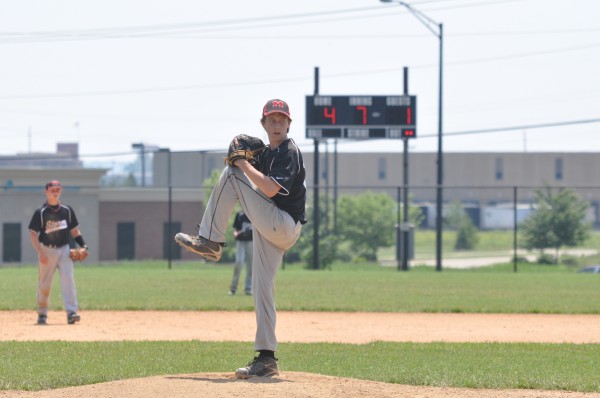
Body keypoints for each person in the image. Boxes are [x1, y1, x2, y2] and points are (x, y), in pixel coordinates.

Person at [175, 99, 306, 379]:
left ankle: (209, 240)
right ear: (264, 124)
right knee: (261, 290)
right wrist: (249, 160)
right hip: (271, 226)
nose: (277, 123)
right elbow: (258, 181)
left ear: (289, 123)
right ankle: (267, 358)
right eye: (272, 118)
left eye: (282, 118)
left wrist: (243, 163)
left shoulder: (288, 150)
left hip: (282, 223)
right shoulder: (267, 154)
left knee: (233, 174)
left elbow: (270, 190)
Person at [28, 180, 88, 325]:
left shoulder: (67, 210)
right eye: (52, 190)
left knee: (69, 280)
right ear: (46, 192)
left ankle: (71, 313)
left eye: (58, 190)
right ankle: (42, 314)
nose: (55, 192)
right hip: (47, 250)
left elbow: (74, 230)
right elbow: (32, 233)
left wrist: (83, 245)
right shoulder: (41, 212)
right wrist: (40, 252)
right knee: (45, 284)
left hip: (64, 250)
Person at [230, 211, 253, 296]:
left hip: (251, 242)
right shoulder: (240, 214)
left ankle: (248, 288)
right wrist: (236, 234)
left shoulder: (254, 212)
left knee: (251, 266)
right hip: (241, 242)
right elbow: (236, 229)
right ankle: (233, 288)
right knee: (239, 262)